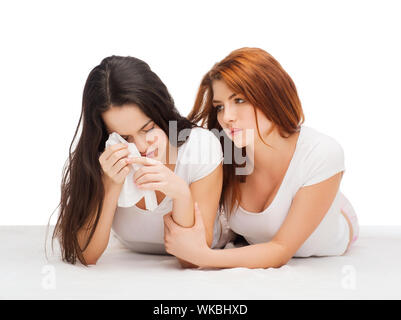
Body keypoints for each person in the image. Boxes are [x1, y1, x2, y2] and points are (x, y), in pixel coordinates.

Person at [163, 47, 359, 269]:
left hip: (332, 214)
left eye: (239, 100)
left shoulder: (322, 152)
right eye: (219, 107)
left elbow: (281, 250)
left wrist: (202, 256)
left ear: (271, 96)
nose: (226, 117)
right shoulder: (225, 154)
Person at [51, 55, 225, 267]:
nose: (142, 147)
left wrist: (181, 193)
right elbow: (86, 256)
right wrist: (110, 183)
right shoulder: (104, 158)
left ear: (163, 114)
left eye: (148, 128)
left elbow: (192, 260)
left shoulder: (200, 147)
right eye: (125, 138)